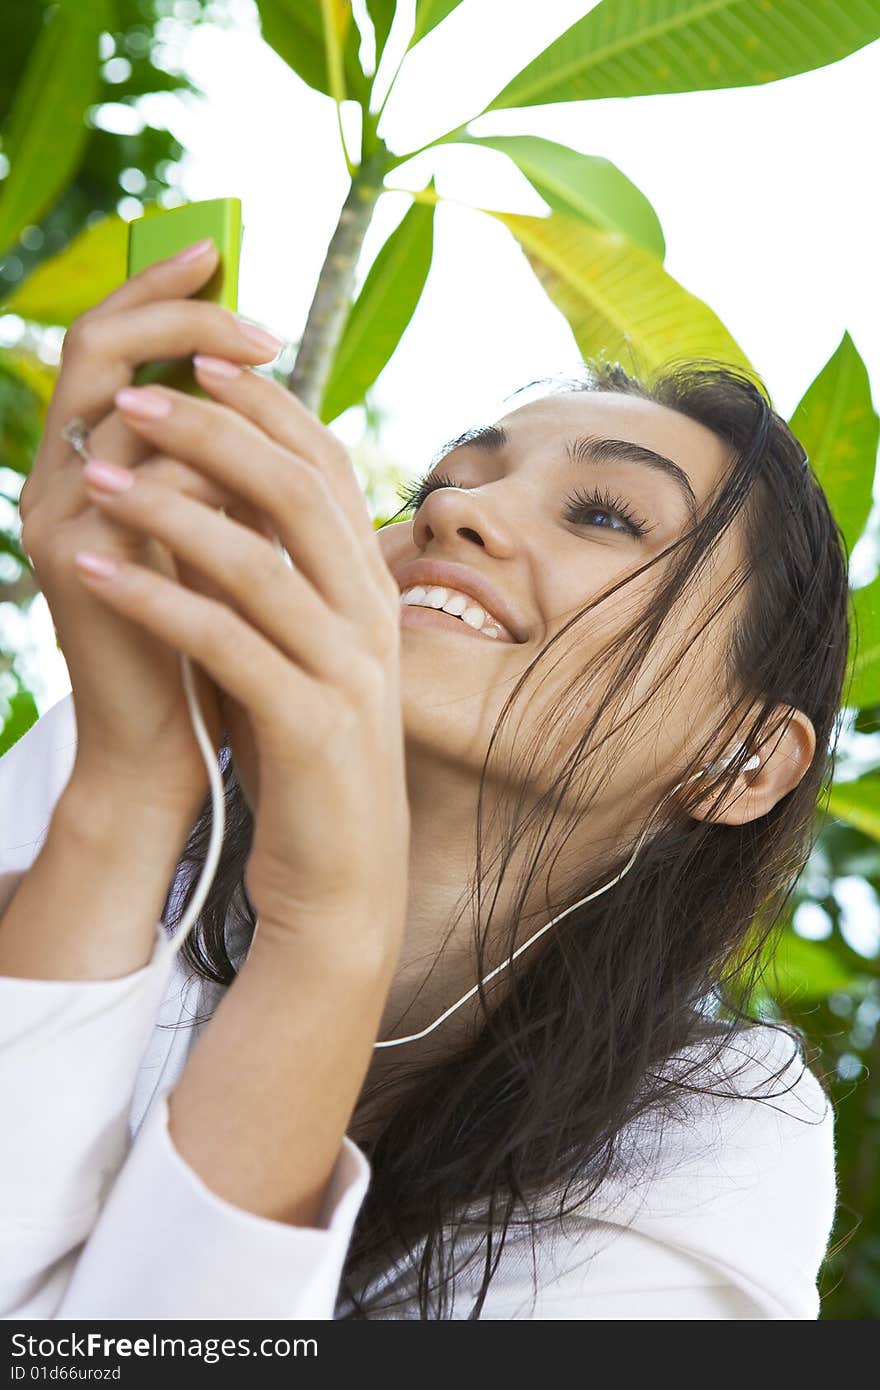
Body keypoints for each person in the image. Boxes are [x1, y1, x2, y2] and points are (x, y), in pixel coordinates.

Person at [0, 240, 845, 1320]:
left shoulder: (719, 1134)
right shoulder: (122, 761)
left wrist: (331, 931)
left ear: (740, 757)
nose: (451, 515)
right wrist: (125, 790)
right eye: (436, 486)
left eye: (603, 515)